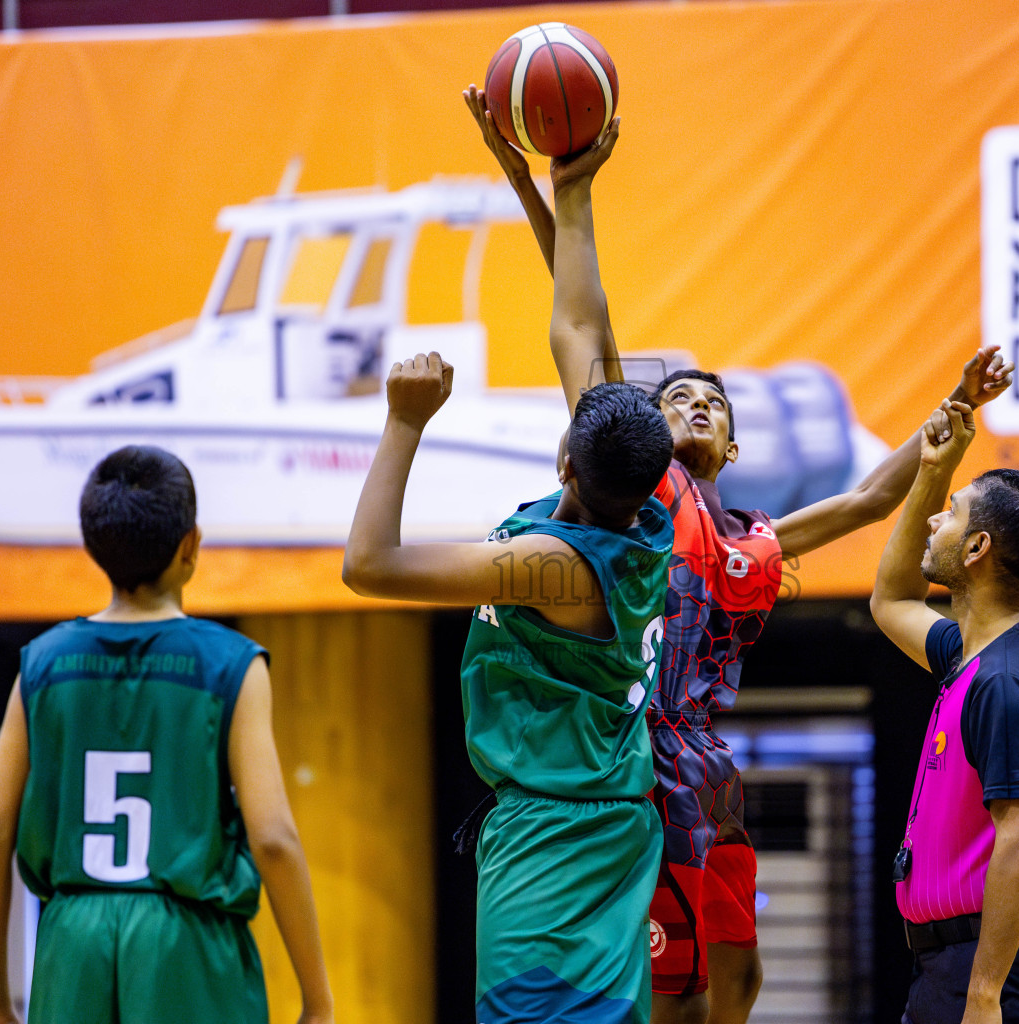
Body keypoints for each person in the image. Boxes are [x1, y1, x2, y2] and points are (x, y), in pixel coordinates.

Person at [462, 86, 1016, 1024]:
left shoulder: (750, 537)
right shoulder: (640, 497)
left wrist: (952, 419)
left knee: (743, 981)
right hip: (626, 756)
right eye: (676, 398)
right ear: (642, 426)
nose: (698, 406)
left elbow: (876, 497)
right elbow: (583, 327)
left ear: (734, 445)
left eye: (714, 402)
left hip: (708, 765)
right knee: (664, 981)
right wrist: (543, 191)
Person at [340, 117, 676, 1024]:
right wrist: (562, 186)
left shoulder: (550, 567)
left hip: (556, 831)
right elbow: (576, 320)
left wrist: (406, 420)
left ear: (565, 462)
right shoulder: (648, 508)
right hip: (603, 813)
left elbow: (369, 566)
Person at [0, 445, 333, 1024]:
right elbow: (273, 840)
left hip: (72, 943)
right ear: (191, 544)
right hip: (184, 943)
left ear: (92, 548)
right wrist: (318, 1001)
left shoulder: (42, 663)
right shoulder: (230, 664)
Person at [868, 398, 1019, 1024]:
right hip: (955, 968)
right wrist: (935, 467)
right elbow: (892, 598)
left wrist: (985, 995)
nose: (935, 520)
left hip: (995, 978)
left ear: (978, 546)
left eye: (951, 512)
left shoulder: (1006, 681)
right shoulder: (969, 656)